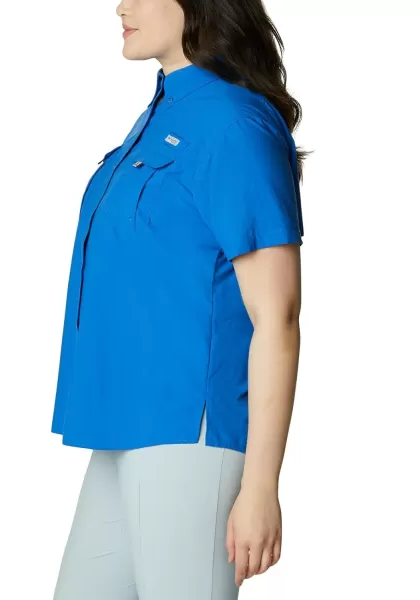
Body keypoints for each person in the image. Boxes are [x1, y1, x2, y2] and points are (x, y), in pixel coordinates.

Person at [51, 0, 307, 598]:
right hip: (122, 425)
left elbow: (278, 317)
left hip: (190, 432)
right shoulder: (162, 114)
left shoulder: (235, 123)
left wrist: (261, 486)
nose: (122, 6)